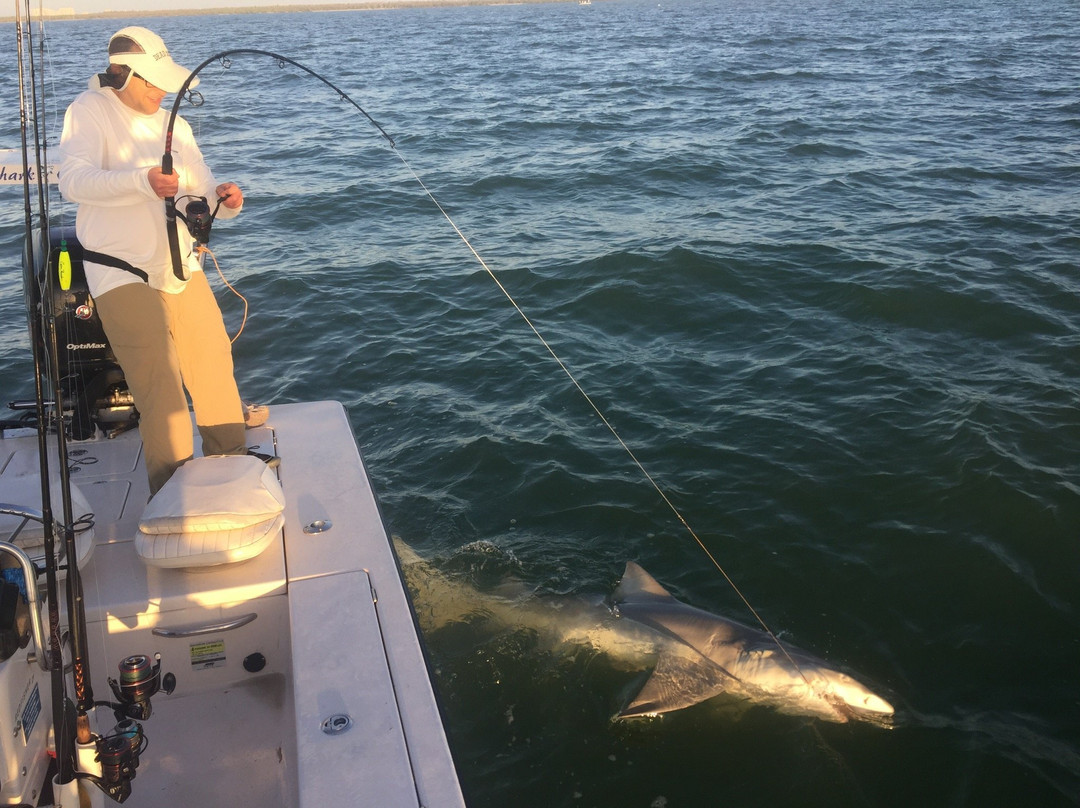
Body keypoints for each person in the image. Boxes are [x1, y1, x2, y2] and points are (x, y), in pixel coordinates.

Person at [58, 26, 252, 496]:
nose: (162, 90)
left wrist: (226, 201)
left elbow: (198, 193)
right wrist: (141, 180)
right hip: (120, 269)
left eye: (164, 81)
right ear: (122, 76)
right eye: (151, 81)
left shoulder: (176, 126)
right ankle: (174, 496)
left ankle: (234, 477)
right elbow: (73, 181)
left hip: (180, 268)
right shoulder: (88, 112)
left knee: (213, 369)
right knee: (160, 387)